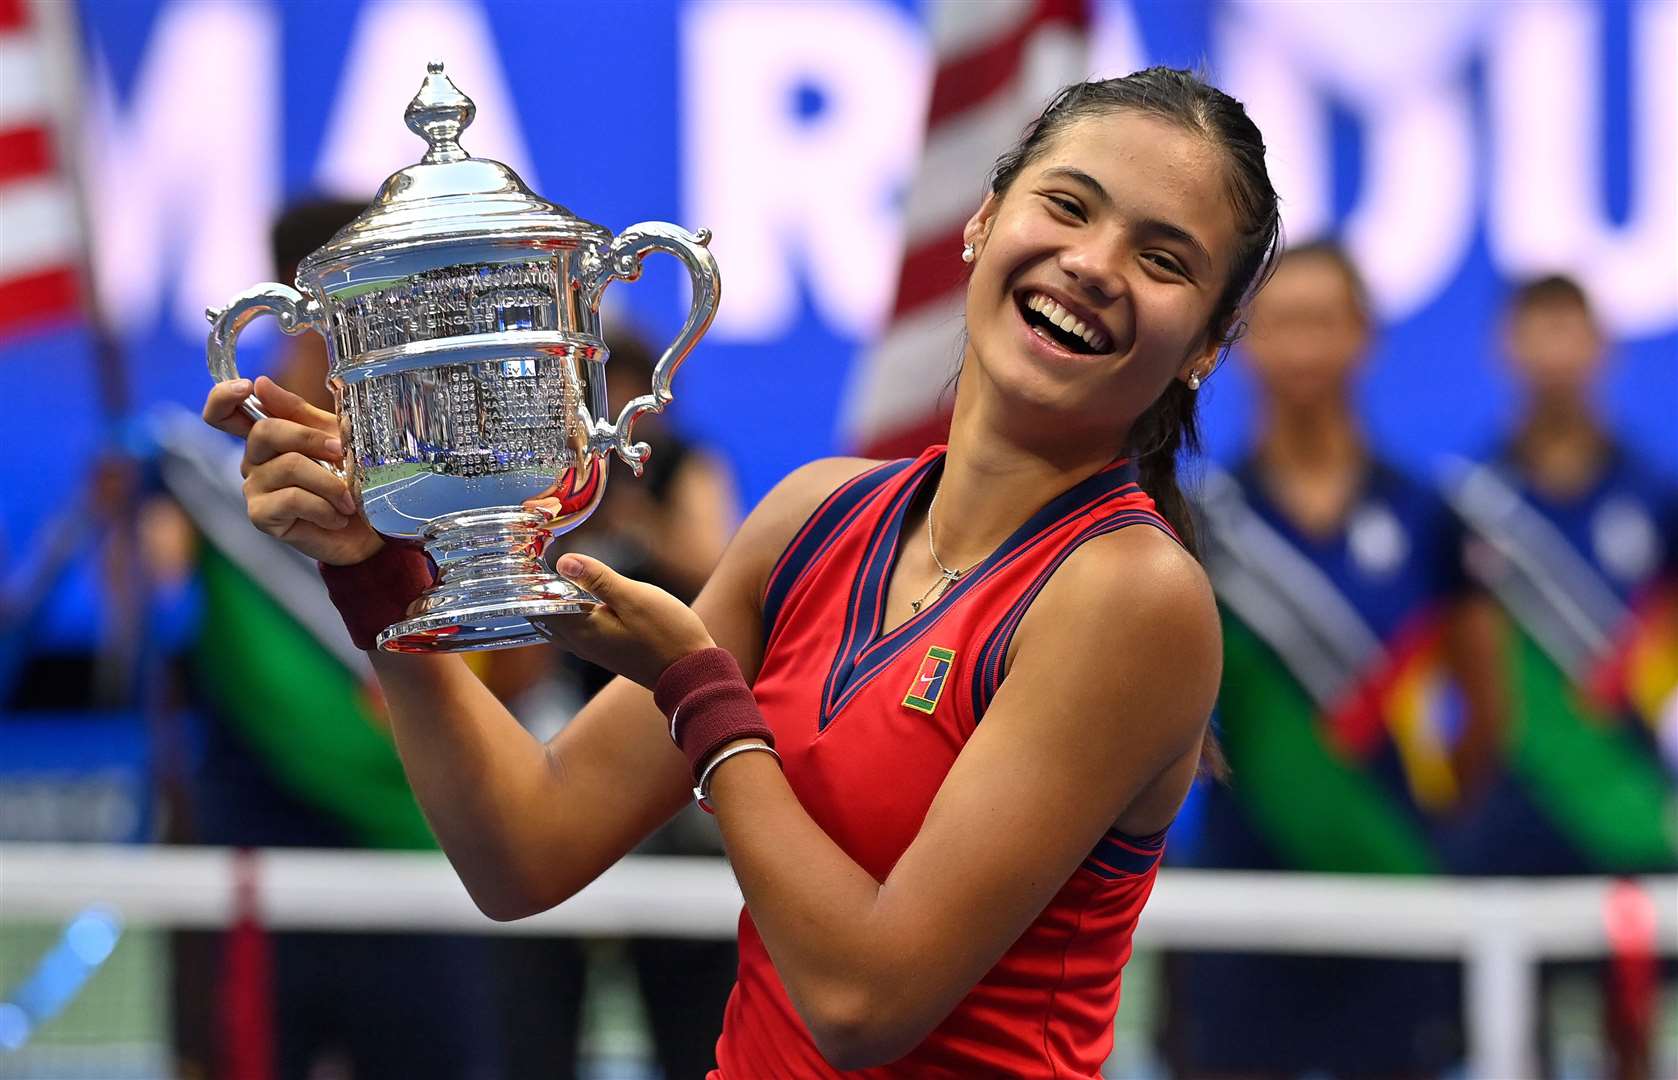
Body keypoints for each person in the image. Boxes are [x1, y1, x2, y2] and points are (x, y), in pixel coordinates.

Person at [203, 67, 1281, 1076]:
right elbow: (525, 850)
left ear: (1207, 345)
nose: (1092, 264)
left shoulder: (1133, 594)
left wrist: (699, 697)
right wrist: (378, 580)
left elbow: (865, 1002)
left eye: (1163, 258)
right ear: (984, 218)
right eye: (1070, 206)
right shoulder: (819, 515)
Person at [1167, 241, 1501, 1078]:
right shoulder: (1197, 519)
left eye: (1325, 321)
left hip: (1396, 892)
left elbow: (1486, 710)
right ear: (1243, 342)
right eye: (1281, 324)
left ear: (1365, 336)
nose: (1305, 348)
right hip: (1241, 900)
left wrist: (1418, 814)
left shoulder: (1430, 515)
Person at [1442, 275, 1677, 1079]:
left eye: (1569, 332)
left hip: (1630, 813)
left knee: (1634, 1042)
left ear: (1600, 348)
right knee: (1512, 1039)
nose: (1553, 353)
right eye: (1535, 333)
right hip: (1513, 813)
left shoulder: (1656, 496)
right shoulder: (1469, 504)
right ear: (1505, 350)